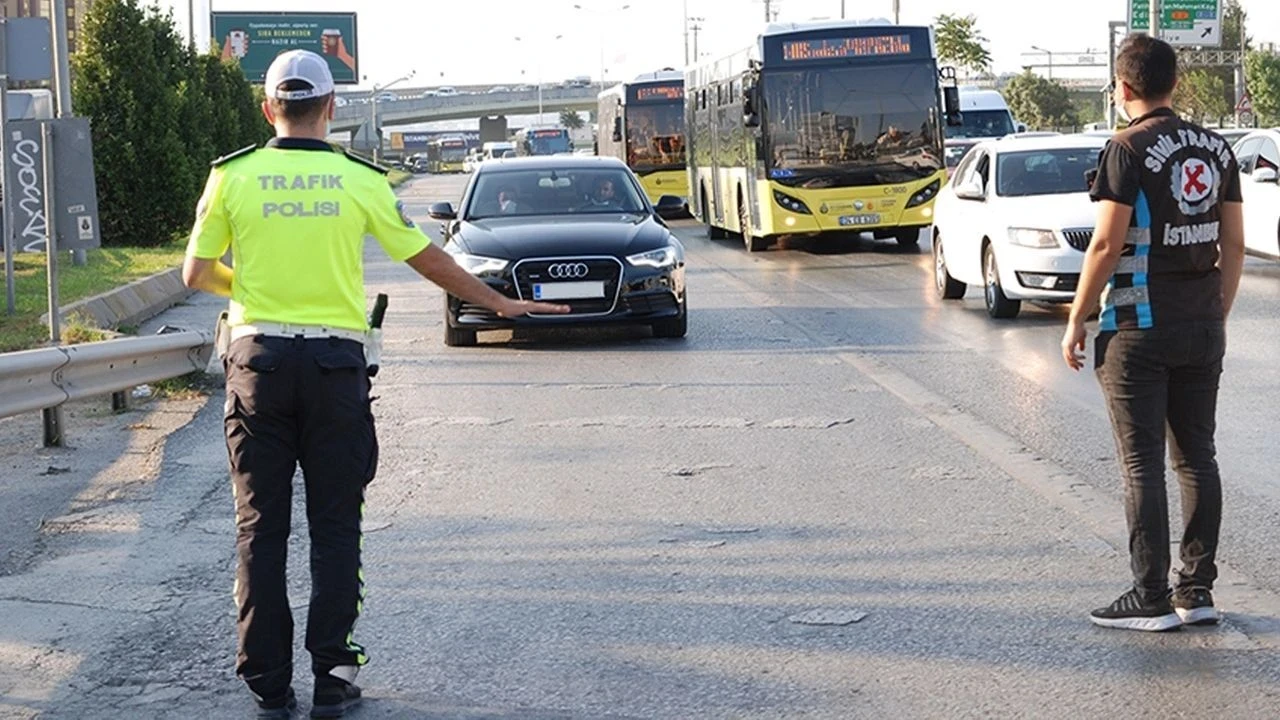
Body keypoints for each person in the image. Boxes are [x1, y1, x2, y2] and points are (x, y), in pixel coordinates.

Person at [182, 50, 567, 718]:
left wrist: (250, 289)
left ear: (269, 107)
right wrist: (500, 304)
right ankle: (332, 672)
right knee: (335, 525)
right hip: (335, 369)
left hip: (258, 366)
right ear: (332, 110)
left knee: (260, 527)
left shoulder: (233, 175)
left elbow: (195, 273)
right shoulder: (358, 179)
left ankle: (267, 680)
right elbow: (427, 259)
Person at [1061, 34, 1246, 632]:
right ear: (1173, 82)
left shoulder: (1126, 147)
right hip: (1202, 324)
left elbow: (1107, 244)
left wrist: (1076, 319)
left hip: (1138, 328)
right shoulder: (1216, 148)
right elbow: (1234, 243)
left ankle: (1149, 595)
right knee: (1197, 459)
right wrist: (1215, 312)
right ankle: (1197, 591)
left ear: (1124, 88)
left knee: (1141, 465)